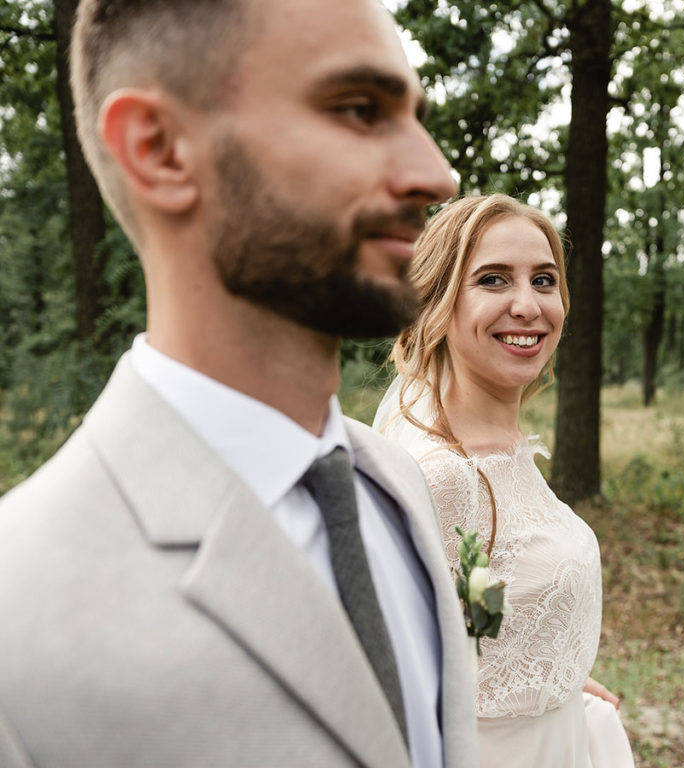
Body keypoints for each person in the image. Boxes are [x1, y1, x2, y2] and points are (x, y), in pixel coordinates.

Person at [0, 1, 478, 767]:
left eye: (414, 114)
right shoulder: (16, 613)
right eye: (360, 110)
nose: (435, 173)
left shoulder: (395, 487)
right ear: (160, 150)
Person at [374, 194, 635, 768]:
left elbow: (476, 616)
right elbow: (389, 683)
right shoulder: (443, 477)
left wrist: (541, 667)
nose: (527, 304)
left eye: (544, 280)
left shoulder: (502, 455)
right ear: (437, 302)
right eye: (494, 280)